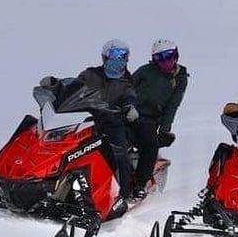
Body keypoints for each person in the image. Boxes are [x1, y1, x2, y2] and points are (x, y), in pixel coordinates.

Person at [40, 39, 140, 212]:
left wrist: (130, 107)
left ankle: (123, 195)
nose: (119, 60)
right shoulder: (90, 74)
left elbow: (130, 97)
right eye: (115, 55)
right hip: (85, 120)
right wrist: (55, 84)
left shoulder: (126, 83)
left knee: (119, 154)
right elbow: (72, 87)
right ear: (105, 57)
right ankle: (44, 184)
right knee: (60, 148)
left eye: (123, 56)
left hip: (112, 123)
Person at [129, 38, 189, 199]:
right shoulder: (145, 71)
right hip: (129, 113)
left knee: (150, 145)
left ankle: (140, 184)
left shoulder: (180, 78)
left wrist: (164, 129)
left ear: (176, 55)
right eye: (159, 58)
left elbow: (172, 105)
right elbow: (127, 88)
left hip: (149, 119)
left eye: (168, 56)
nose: (165, 62)